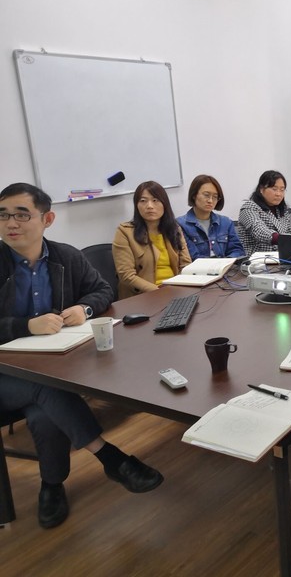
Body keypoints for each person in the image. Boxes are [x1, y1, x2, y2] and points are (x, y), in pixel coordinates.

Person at [0, 183, 163, 529]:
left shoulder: (66, 257)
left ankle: (51, 486)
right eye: (3, 215)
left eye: (21, 214)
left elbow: (102, 289)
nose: (10, 223)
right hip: (6, 376)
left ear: (47, 219)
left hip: (52, 366)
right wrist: (25, 326)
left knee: (44, 413)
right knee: (47, 387)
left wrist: (84, 308)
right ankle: (110, 457)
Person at [112, 181, 191, 299]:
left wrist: (179, 289)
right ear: (136, 205)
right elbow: (126, 276)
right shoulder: (125, 232)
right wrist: (160, 292)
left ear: (164, 204)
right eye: (143, 201)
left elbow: (186, 265)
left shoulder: (174, 229)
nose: (149, 206)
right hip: (143, 297)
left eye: (155, 200)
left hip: (175, 291)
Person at [176, 174, 245, 260]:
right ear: (194, 195)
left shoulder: (226, 222)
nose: (210, 200)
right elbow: (192, 256)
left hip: (226, 266)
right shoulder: (180, 224)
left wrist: (227, 262)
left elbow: (237, 250)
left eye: (215, 197)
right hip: (199, 268)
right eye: (206, 195)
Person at [238, 170, 291, 255]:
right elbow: (259, 232)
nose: (278, 194)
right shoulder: (249, 208)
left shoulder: (282, 209)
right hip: (257, 259)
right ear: (261, 189)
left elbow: (289, 232)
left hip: (281, 257)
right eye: (274, 189)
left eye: (282, 190)